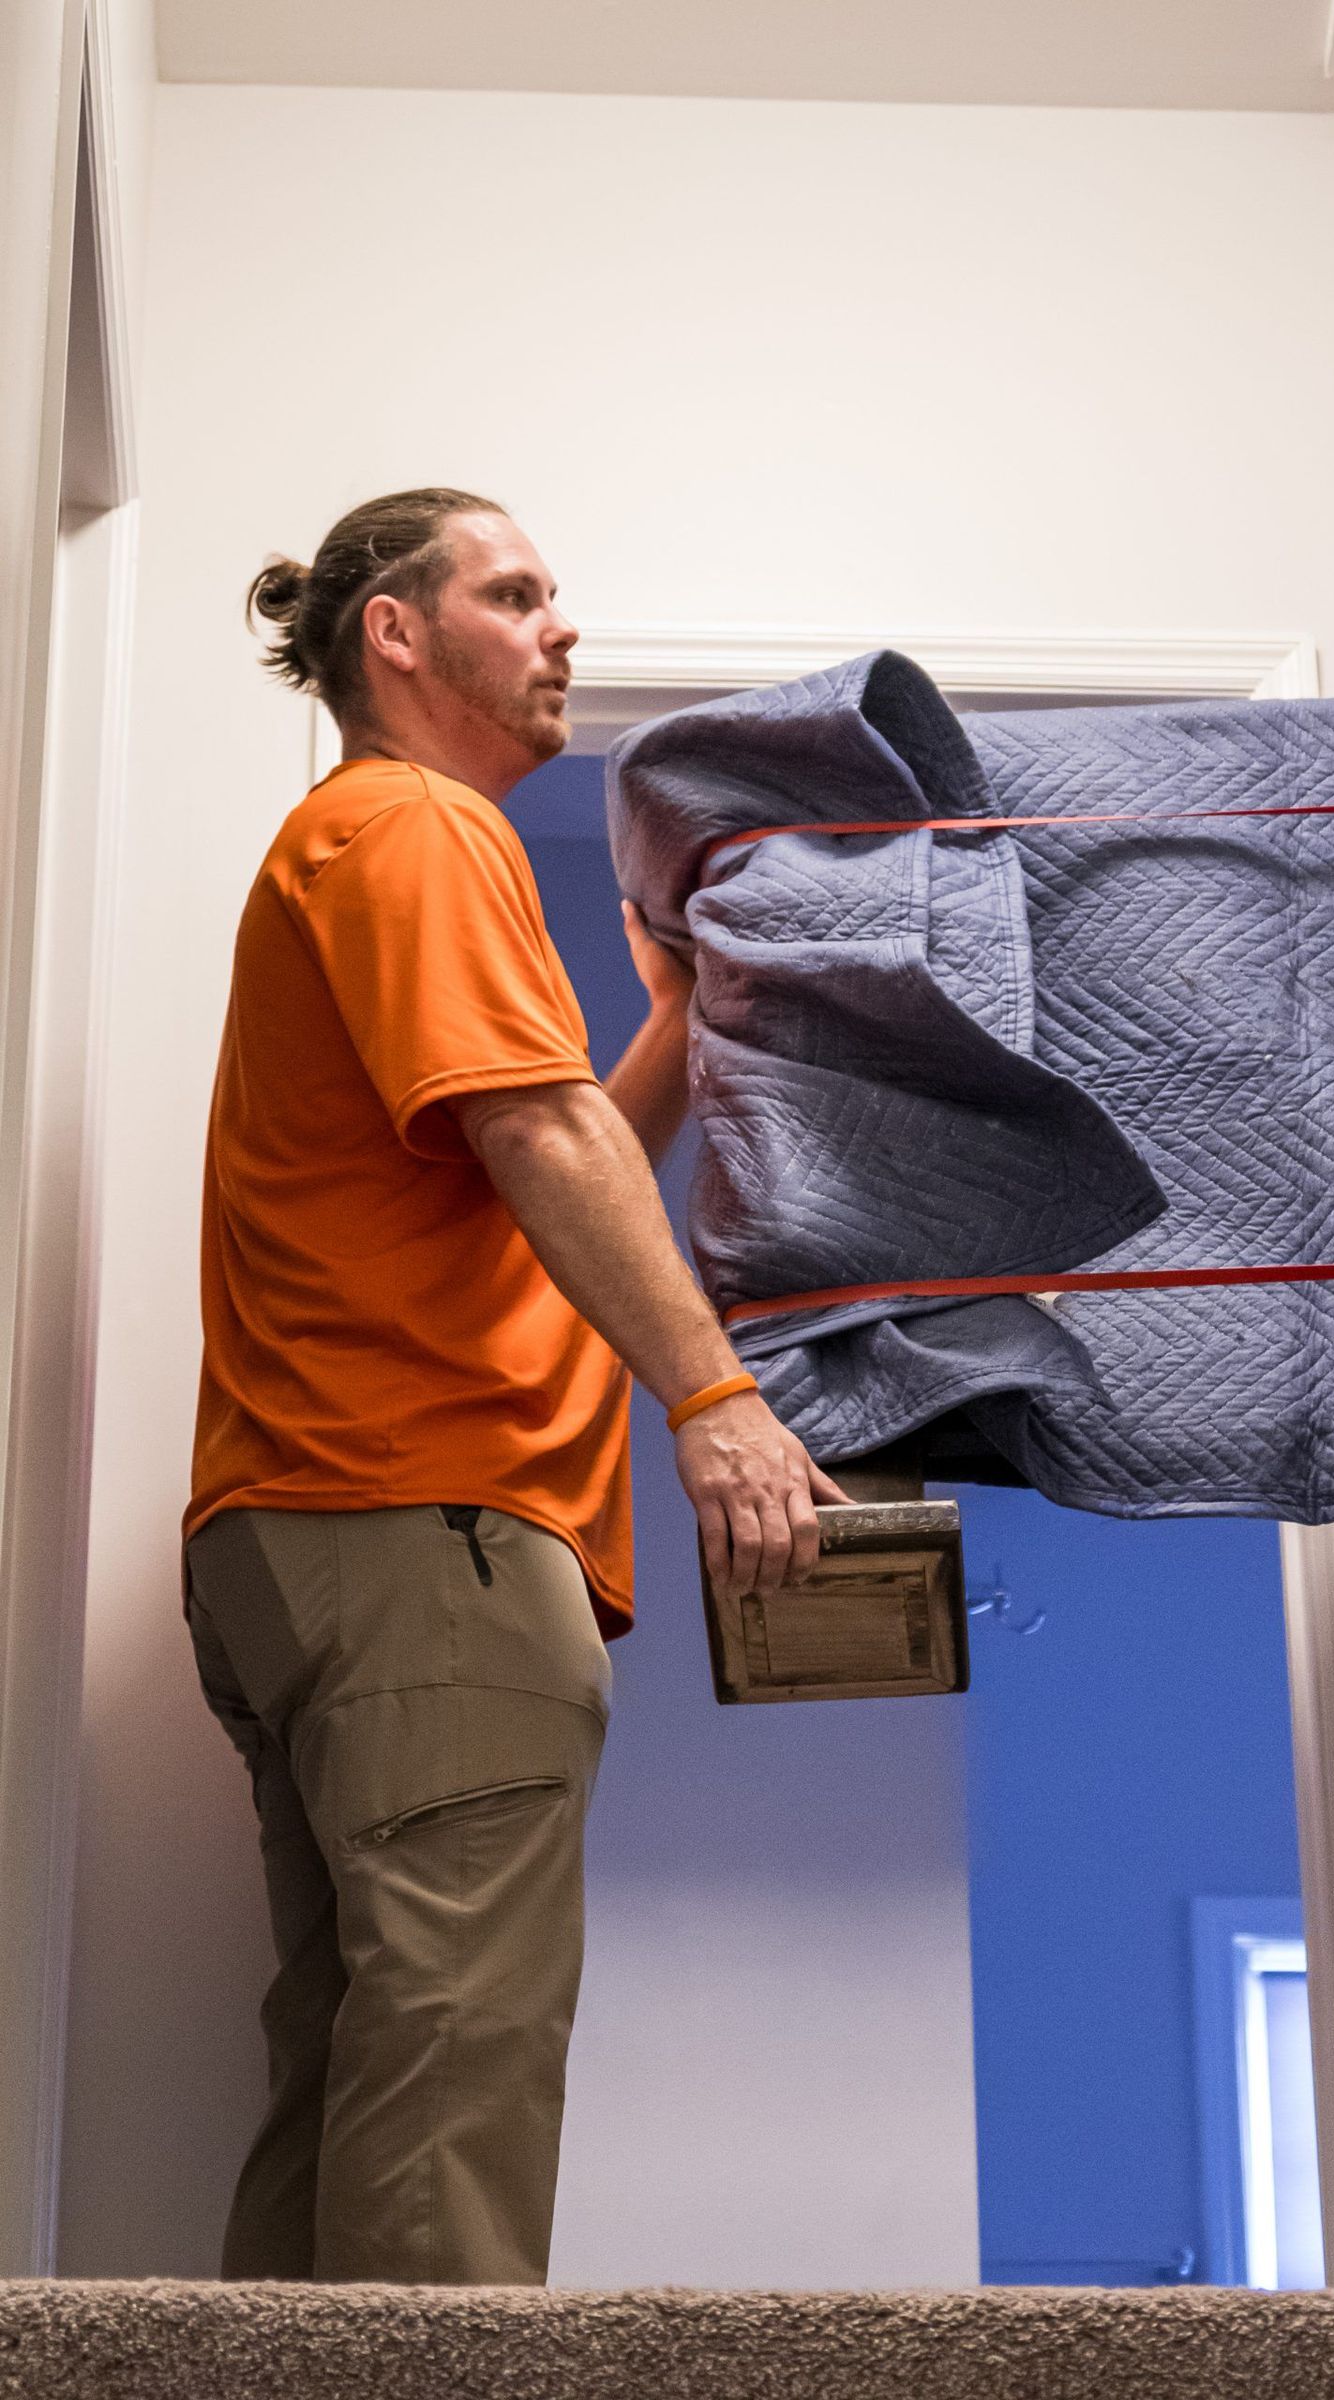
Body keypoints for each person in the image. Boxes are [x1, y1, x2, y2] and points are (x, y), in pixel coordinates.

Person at [183, 487, 846, 2287]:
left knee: (362, 2056)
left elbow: (519, 1167)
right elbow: (541, 1136)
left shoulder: (355, 842)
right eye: (517, 593)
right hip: (421, 1530)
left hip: (314, 1528)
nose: (564, 629)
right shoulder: (416, 823)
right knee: (455, 2055)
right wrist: (714, 1401)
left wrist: (673, 1027)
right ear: (395, 633)